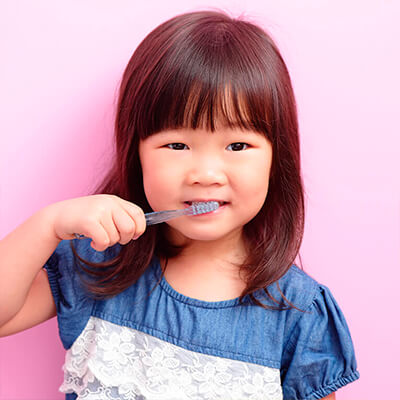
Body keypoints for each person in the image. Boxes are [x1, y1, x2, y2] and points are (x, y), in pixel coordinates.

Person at [0, 9, 359, 400]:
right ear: (137, 153)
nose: (205, 173)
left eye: (237, 146)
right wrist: (47, 224)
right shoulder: (98, 262)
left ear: (277, 158)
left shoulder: (299, 314)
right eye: (177, 145)